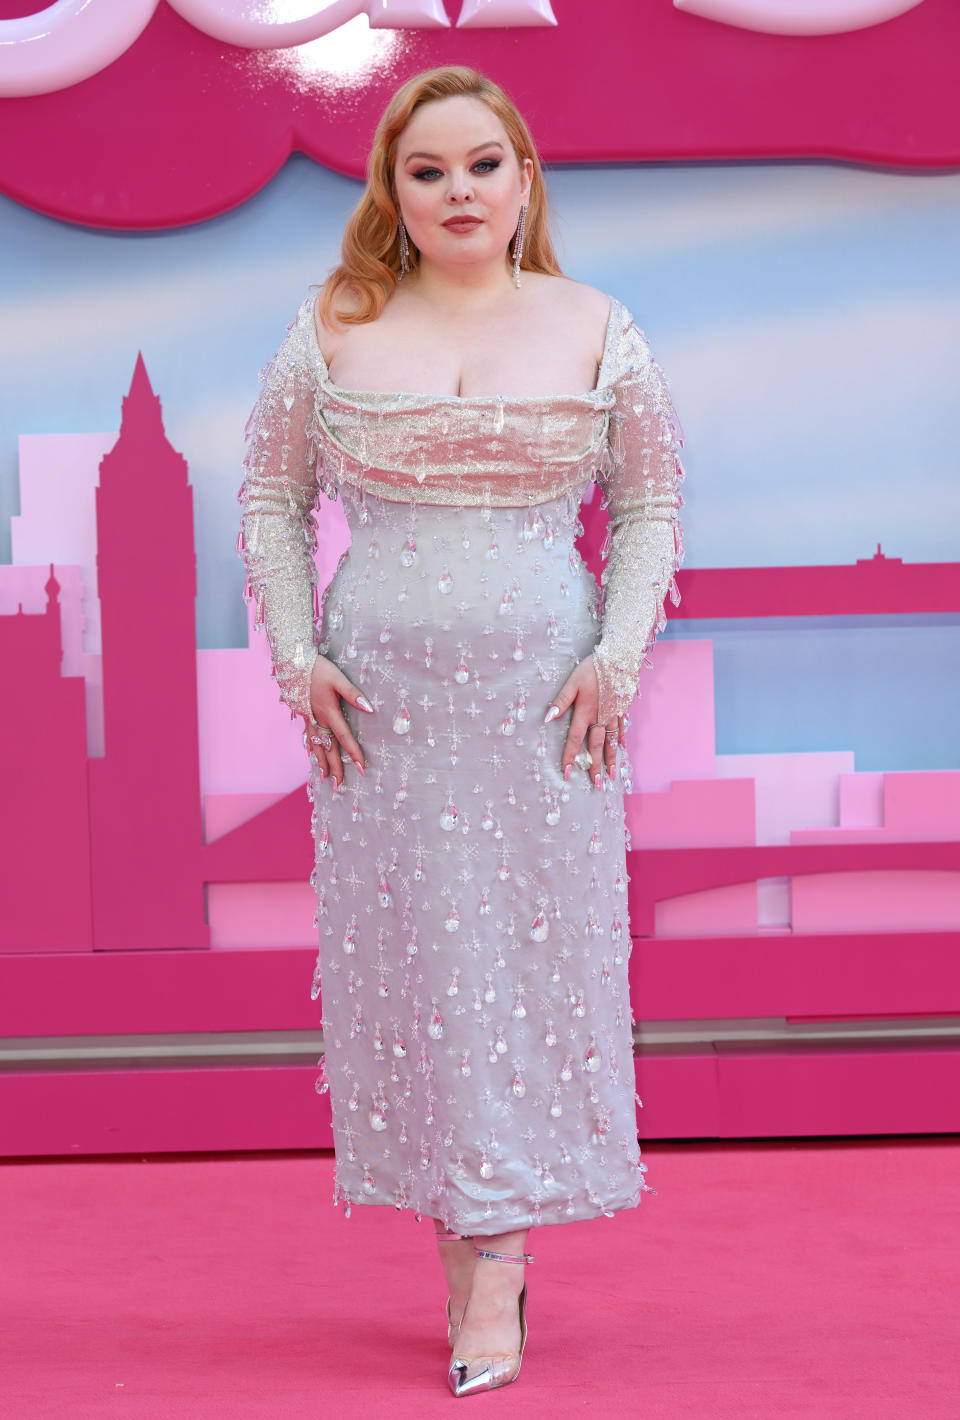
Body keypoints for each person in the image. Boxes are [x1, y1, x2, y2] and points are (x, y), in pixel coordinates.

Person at [238, 64, 685, 1397]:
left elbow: (651, 506)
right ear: (394, 191)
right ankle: (469, 1243)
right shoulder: (332, 323)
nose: (457, 191)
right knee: (424, 974)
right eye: (426, 171)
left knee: (529, 968)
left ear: (524, 177)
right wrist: (296, 657)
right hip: (379, 715)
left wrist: (617, 656)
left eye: (481, 164)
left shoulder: (597, 324)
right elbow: (270, 499)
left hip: (550, 707)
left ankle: (499, 1255)